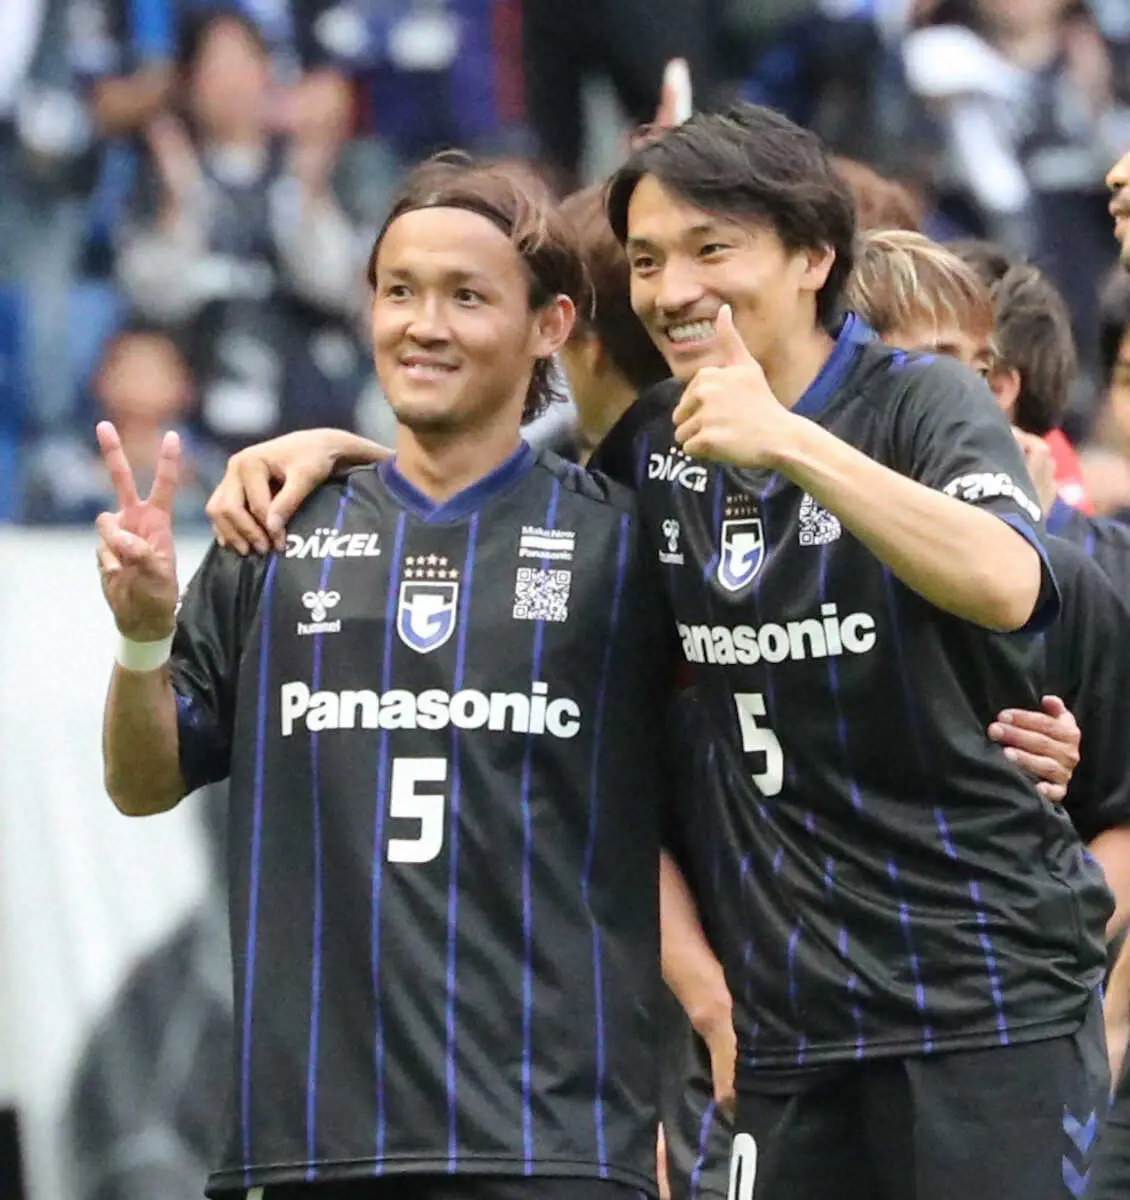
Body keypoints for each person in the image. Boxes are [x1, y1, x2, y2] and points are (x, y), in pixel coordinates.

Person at [95, 155, 680, 1199]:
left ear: (550, 325)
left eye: (467, 297)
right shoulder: (273, 531)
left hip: (550, 1143)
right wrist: (142, 639)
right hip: (308, 1142)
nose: (424, 325)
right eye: (399, 291)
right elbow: (142, 783)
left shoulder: (624, 545)